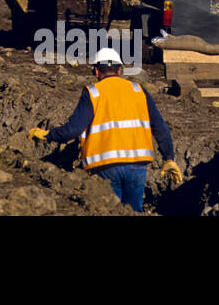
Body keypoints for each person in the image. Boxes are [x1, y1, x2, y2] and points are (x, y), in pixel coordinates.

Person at [30, 47, 182, 211]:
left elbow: (73, 130)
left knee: (109, 210)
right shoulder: (139, 91)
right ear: (120, 70)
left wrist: (49, 135)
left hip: (105, 166)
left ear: (96, 71)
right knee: (133, 211)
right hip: (137, 165)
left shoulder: (93, 93)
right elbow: (160, 127)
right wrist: (169, 158)